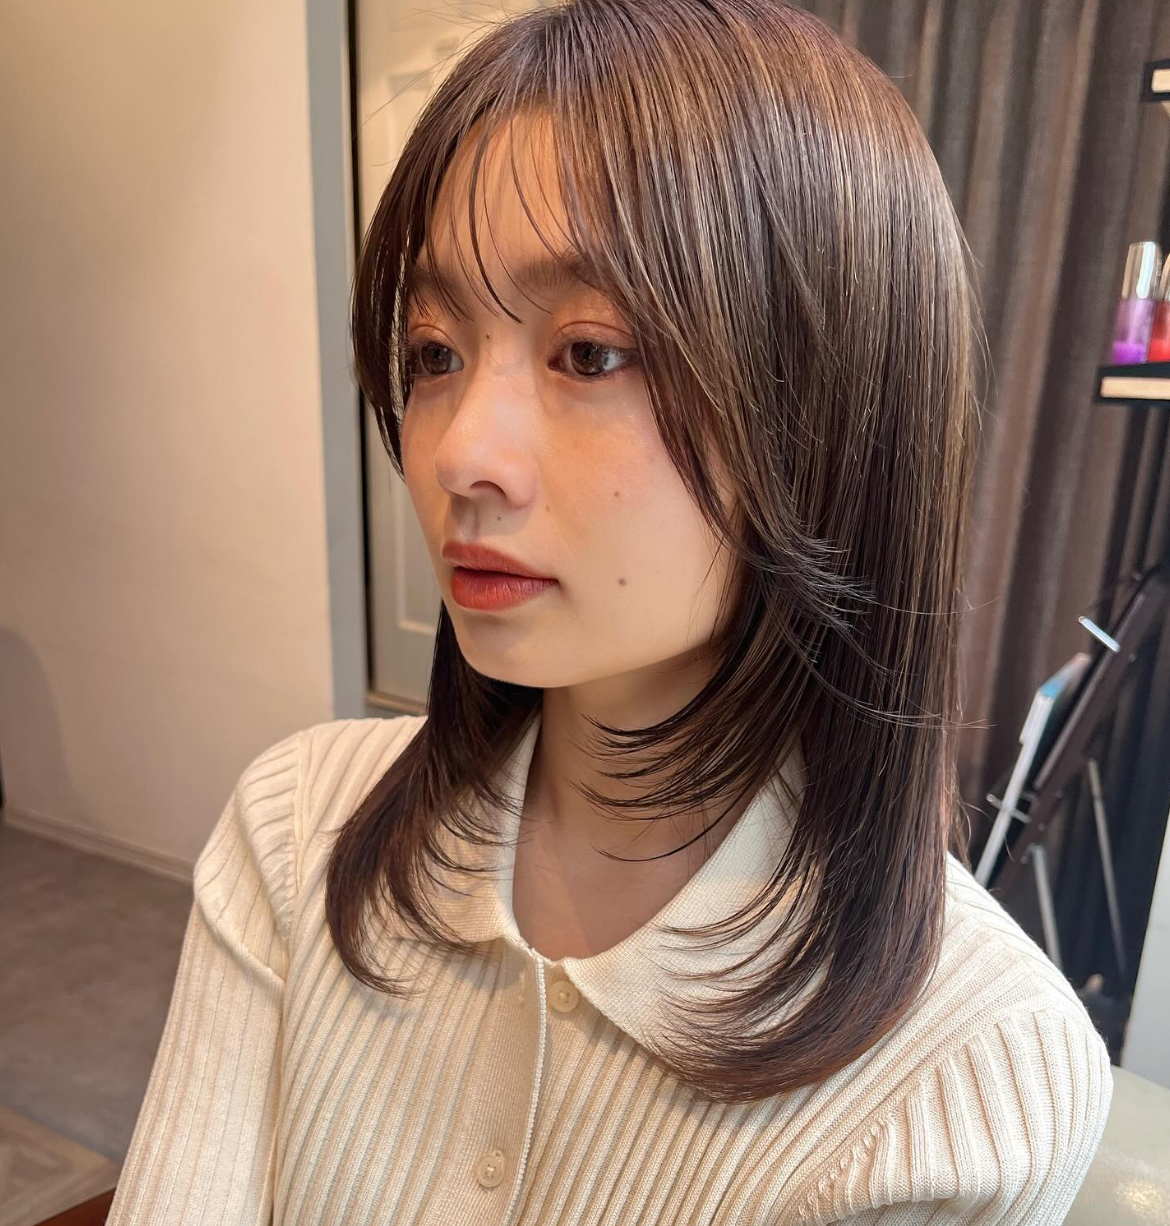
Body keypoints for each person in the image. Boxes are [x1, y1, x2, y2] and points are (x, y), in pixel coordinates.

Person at [105, 2, 1113, 1223]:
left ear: (836, 406)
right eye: (433, 351)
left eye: (589, 353)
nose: (460, 453)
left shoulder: (969, 1070)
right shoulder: (298, 829)